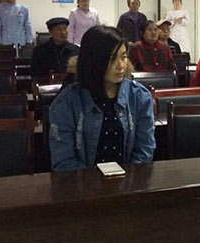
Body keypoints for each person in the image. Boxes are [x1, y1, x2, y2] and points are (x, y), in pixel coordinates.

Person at [49, 25, 156, 172]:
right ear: (92, 60)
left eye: (124, 57)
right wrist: (97, 183)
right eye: (112, 59)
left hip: (129, 181)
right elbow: (64, 162)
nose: (121, 66)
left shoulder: (139, 96)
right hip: (82, 183)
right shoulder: (67, 102)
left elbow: (144, 151)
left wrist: (126, 180)